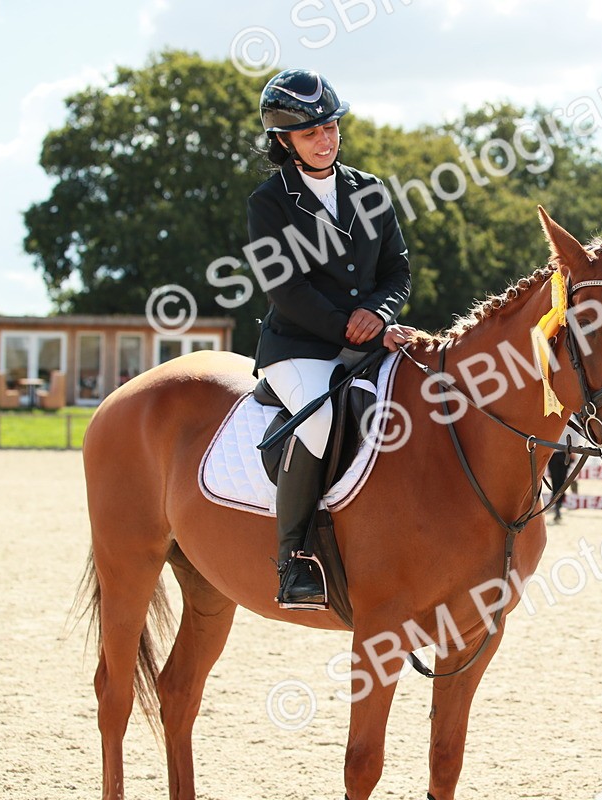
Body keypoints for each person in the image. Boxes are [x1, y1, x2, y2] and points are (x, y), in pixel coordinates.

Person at [251, 68, 417, 609]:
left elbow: (397, 271)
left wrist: (380, 312)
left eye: (331, 127)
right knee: (320, 417)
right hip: (298, 346)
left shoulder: (369, 190)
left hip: (373, 334)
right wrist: (356, 327)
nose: (325, 140)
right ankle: (293, 558)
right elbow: (286, 289)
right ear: (285, 141)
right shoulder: (269, 202)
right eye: (310, 133)